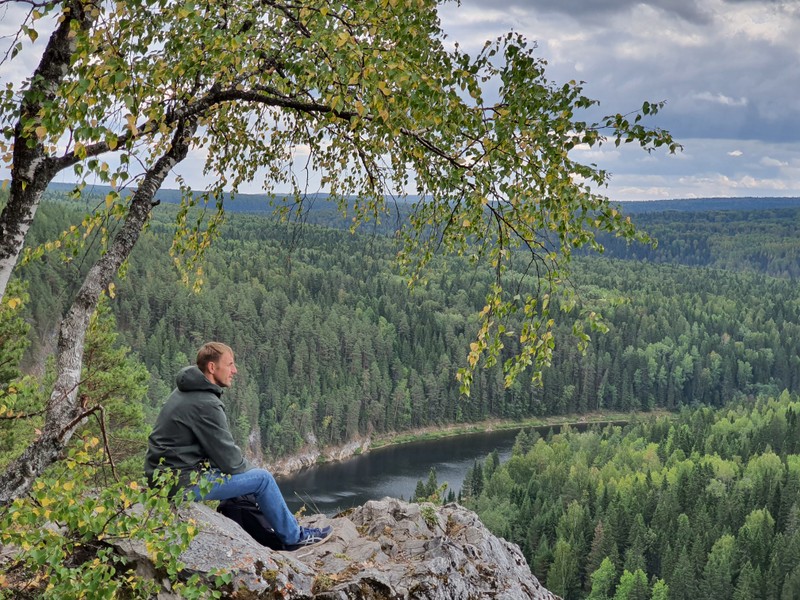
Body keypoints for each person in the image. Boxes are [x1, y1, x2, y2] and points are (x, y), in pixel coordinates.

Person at [144, 341, 331, 550]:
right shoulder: (205, 403)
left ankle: (253, 535)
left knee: (246, 481)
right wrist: (250, 470)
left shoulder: (185, 391)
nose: (235, 370)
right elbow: (231, 462)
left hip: (165, 478)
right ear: (212, 368)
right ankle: (294, 537)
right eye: (230, 364)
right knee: (263, 480)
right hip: (182, 485)